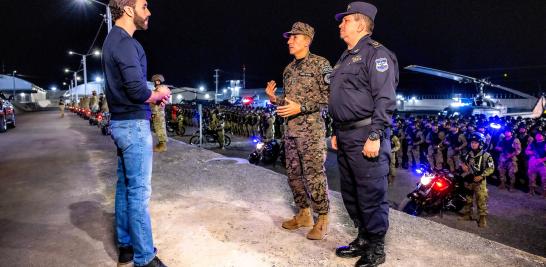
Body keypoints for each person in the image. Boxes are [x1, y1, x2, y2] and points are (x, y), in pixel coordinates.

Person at [329, 2, 398, 266]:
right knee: (351, 191)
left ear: (360, 23)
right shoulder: (345, 57)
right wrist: (337, 130)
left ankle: (377, 247)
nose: (340, 24)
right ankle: (363, 238)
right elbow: (342, 99)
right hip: (345, 135)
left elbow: (385, 98)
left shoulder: (377, 55)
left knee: (370, 192)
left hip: (365, 133)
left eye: (345, 21)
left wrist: (375, 134)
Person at [102, 0, 170, 266]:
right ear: (129, 9)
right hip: (132, 126)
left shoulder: (111, 41)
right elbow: (136, 90)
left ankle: (126, 246)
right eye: (144, 6)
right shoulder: (127, 43)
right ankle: (144, 257)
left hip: (120, 123)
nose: (149, 12)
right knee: (139, 193)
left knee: (124, 188)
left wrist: (151, 96)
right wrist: (158, 94)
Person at [265, 21, 332, 240]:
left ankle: (322, 218)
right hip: (291, 130)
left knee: (314, 175)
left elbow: (330, 98)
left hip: (311, 131)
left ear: (307, 40)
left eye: (294, 37)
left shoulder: (321, 65)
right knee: (293, 175)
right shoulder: (289, 69)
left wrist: (302, 107)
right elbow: (289, 102)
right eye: (289, 37)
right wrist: (275, 99)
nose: (289, 40)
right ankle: (304, 214)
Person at [459, 132, 494, 228]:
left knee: (481, 200)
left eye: (475, 142)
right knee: (467, 199)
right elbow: (461, 161)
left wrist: (482, 176)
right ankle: (467, 214)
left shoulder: (486, 155)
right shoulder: (467, 153)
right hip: (469, 179)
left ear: (481, 143)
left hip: (479, 182)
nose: (473, 144)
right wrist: (463, 165)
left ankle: (482, 218)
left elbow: (491, 168)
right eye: (472, 142)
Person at [150, 74, 168, 153]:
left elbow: (156, 102)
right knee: (158, 127)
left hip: (158, 113)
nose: (153, 83)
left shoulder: (160, 89)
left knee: (160, 127)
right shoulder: (159, 89)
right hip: (157, 112)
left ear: (157, 81)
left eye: (154, 81)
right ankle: (161, 144)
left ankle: (163, 145)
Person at [525, 132, 546, 197]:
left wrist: (542, 160)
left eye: (540, 135)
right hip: (532, 164)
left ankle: (544, 193)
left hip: (542, 164)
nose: (538, 136)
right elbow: (526, 151)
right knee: (531, 178)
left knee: (544, 179)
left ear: (543, 136)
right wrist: (532, 152)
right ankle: (531, 192)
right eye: (537, 135)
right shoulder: (532, 144)